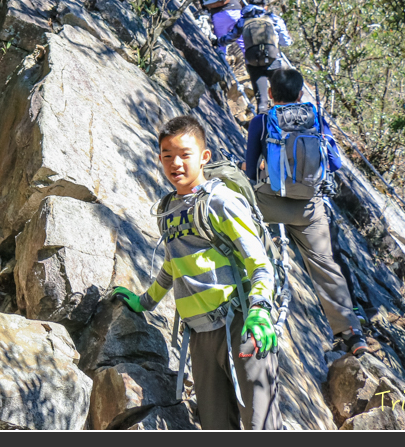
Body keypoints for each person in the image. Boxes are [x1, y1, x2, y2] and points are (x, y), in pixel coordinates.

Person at [113, 116, 283, 430]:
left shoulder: (222, 202)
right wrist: (144, 303)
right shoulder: (167, 210)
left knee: (261, 426)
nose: (175, 163)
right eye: (167, 155)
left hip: (242, 325)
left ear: (204, 157)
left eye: (184, 154)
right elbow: (172, 266)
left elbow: (259, 262)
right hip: (201, 336)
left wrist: (260, 309)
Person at [244, 68, 369, 357]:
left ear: (270, 94)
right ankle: (352, 334)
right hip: (310, 208)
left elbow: (250, 171)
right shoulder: (317, 121)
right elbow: (335, 163)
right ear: (301, 94)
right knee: (326, 265)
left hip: (270, 202)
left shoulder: (262, 122)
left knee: (238, 208)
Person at [214, 0, 291, 114]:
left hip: (253, 62)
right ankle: (283, 125)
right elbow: (286, 42)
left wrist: (218, 42)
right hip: (273, 60)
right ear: (264, 6)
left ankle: (262, 125)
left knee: (262, 100)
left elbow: (231, 37)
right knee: (280, 97)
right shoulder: (273, 18)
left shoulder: (243, 20)